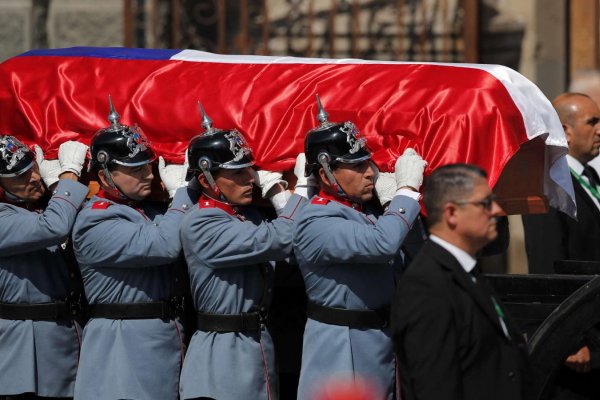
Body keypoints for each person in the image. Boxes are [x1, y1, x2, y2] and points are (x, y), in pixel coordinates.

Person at [293, 95, 427, 400]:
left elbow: (416, 254)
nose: (370, 172)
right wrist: (406, 193)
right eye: (356, 166)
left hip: (381, 340)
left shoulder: (365, 210)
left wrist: (394, 202)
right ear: (325, 173)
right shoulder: (315, 219)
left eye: (368, 163)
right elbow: (382, 245)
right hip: (342, 348)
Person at [178, 105, 307, 400]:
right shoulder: (201, 222)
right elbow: (281, 238)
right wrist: (297, 193)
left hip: (257, 345)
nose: (250, 179)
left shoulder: (246, 217)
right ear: (206, 181)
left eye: (249, 169)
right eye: (237, 173)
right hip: (221, 355)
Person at [71, 98, 197, 400]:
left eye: (148, 167)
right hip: (122, 348)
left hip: (162, 339)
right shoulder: (95, 220)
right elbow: (163, 245)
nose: (149, 176)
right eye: (136, 170)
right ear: (105, 176)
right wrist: (181, 196)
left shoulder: (146, 211)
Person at [391, 163, 531, 400]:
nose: (497, 210)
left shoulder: (466, 271)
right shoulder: (427, 286)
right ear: (451, 213)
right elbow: (435, 386)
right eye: (485, 203)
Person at [522, 92, 600, 399]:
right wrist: (566, 340)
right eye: (592, 122)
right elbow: (546, 264)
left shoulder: (587, 178)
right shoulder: (551, 185)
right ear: (565, 130)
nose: (599, 129)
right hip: (575, 346)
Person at [0, 135, 88, 399]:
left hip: (68, 334)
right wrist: (68, 176)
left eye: (33, 168)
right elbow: (54, 227)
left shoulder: (41, 206)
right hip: (24, 345)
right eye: (20, 176)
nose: (34, 178)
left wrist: (55, 189)